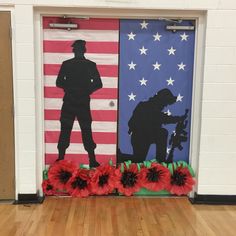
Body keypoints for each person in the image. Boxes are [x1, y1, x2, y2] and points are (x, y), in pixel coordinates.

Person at [56, 40, 102, 168]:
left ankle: (91, 159)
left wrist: (82, 90)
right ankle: (61, 158)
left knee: (83, 129)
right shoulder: (81, 65)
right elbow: (59, 82)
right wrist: (80, 89)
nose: (76, 51)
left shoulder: (84, 65)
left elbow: (98, 83)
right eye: (77, 49)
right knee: (68, 129)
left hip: (78, 101)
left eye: (77, 49)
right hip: (74, 101)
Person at [128, 88, 186, 163]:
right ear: (161, 100)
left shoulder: (149, 107)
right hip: (140, 138)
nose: (165, 106)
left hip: (145, 136)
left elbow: (162, 118)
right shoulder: (147, 107)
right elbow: (164, 118)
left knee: (162, 133)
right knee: (138, 160)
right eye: (165, 103)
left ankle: (160, 161)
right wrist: (179, 118)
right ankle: (161, 162)